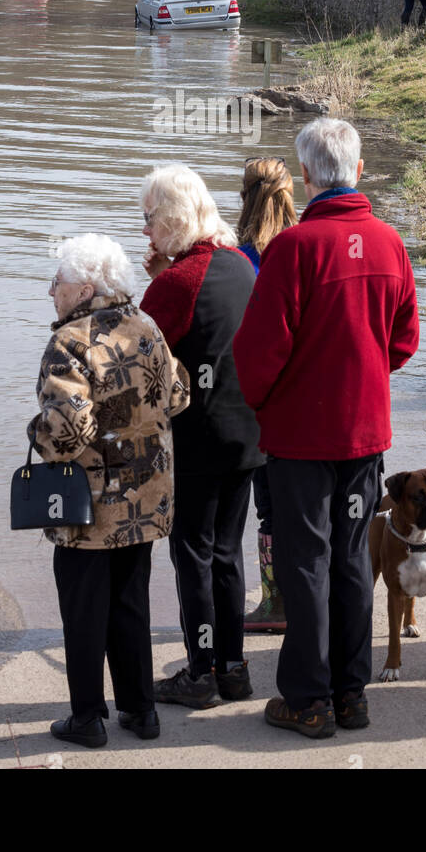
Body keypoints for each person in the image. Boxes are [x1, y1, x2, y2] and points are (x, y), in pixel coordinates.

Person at [233, 118, 419, 739]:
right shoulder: (391, 243)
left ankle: (308, 698)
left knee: (304, 561)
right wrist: (364, 370)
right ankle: (350, 693)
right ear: (359, 170)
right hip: (364, 431)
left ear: (309, 176)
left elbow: (259, 354)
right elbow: (404, 342)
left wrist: (263, 407)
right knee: (350, 558)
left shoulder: (291, 249)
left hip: (300, 437)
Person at [29, 234, 189, 749]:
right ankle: (141, 711)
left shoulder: (70, 342)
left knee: (83, 609)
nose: (52, 290)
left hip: (90, 505)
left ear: (83, 289)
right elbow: (180, 394)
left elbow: (67, 431)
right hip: (145, 497)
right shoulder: (147, 327)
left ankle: (87, 718)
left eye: (59, 281)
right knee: (130, 601)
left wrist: (35, 433)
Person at [139, 164, 264, 709]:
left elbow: (134, 351)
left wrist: (154, 278)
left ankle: (200, 673)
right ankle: (233, 668)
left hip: (196, 441)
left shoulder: (174, 284)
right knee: (227, 552)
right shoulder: (241, 266)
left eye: (148, 220)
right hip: (249, 435)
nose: (144, 231)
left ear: (169, 219)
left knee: (192, 554)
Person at [236, 157, 297, 634]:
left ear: (243, 198)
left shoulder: (238, 261)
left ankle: (275, 604)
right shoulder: (304, 246)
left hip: (257, 405)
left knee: (270, 508)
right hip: (308, 399)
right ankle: (316, 595)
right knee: (314, 506)